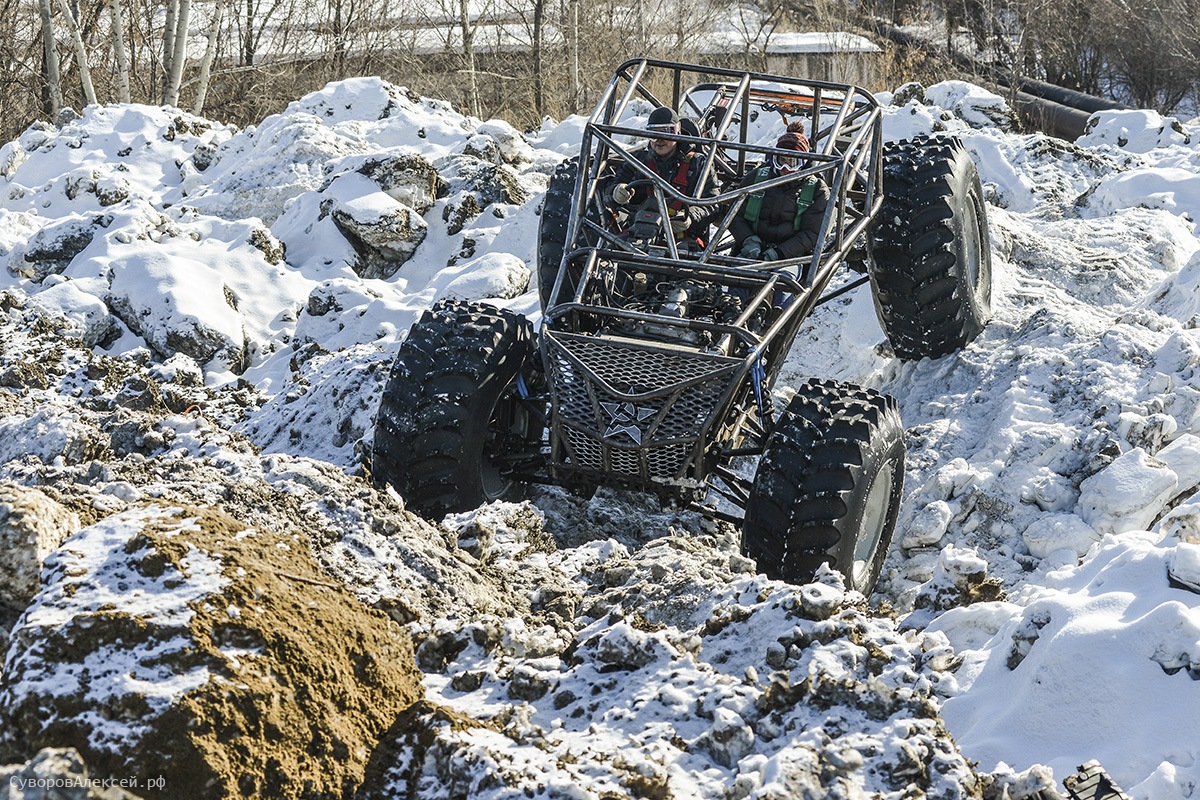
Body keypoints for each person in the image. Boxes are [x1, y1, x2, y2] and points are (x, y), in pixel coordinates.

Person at [607, 106, 718, 242]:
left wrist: (690, 217)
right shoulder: (637, 161)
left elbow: (713, 204)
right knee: (606, 253)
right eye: (654, 134)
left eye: (665, 133)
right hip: (638, 233)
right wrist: (616, 191)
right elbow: (612, 187)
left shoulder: (699, 164)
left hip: (683, 239)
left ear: (677, 132)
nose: (659, 140)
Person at [730, 129, 830, 262]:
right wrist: (748, 240)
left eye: (792, 162)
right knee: (735, 275)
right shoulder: (757, 179)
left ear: (803, 163)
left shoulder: (816, 189)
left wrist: (780, 253)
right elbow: (734, 214)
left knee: (780, 280)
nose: (785, 168)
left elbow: (812, 233)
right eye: (781, 160)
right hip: (751, 249)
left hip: (791, 257)